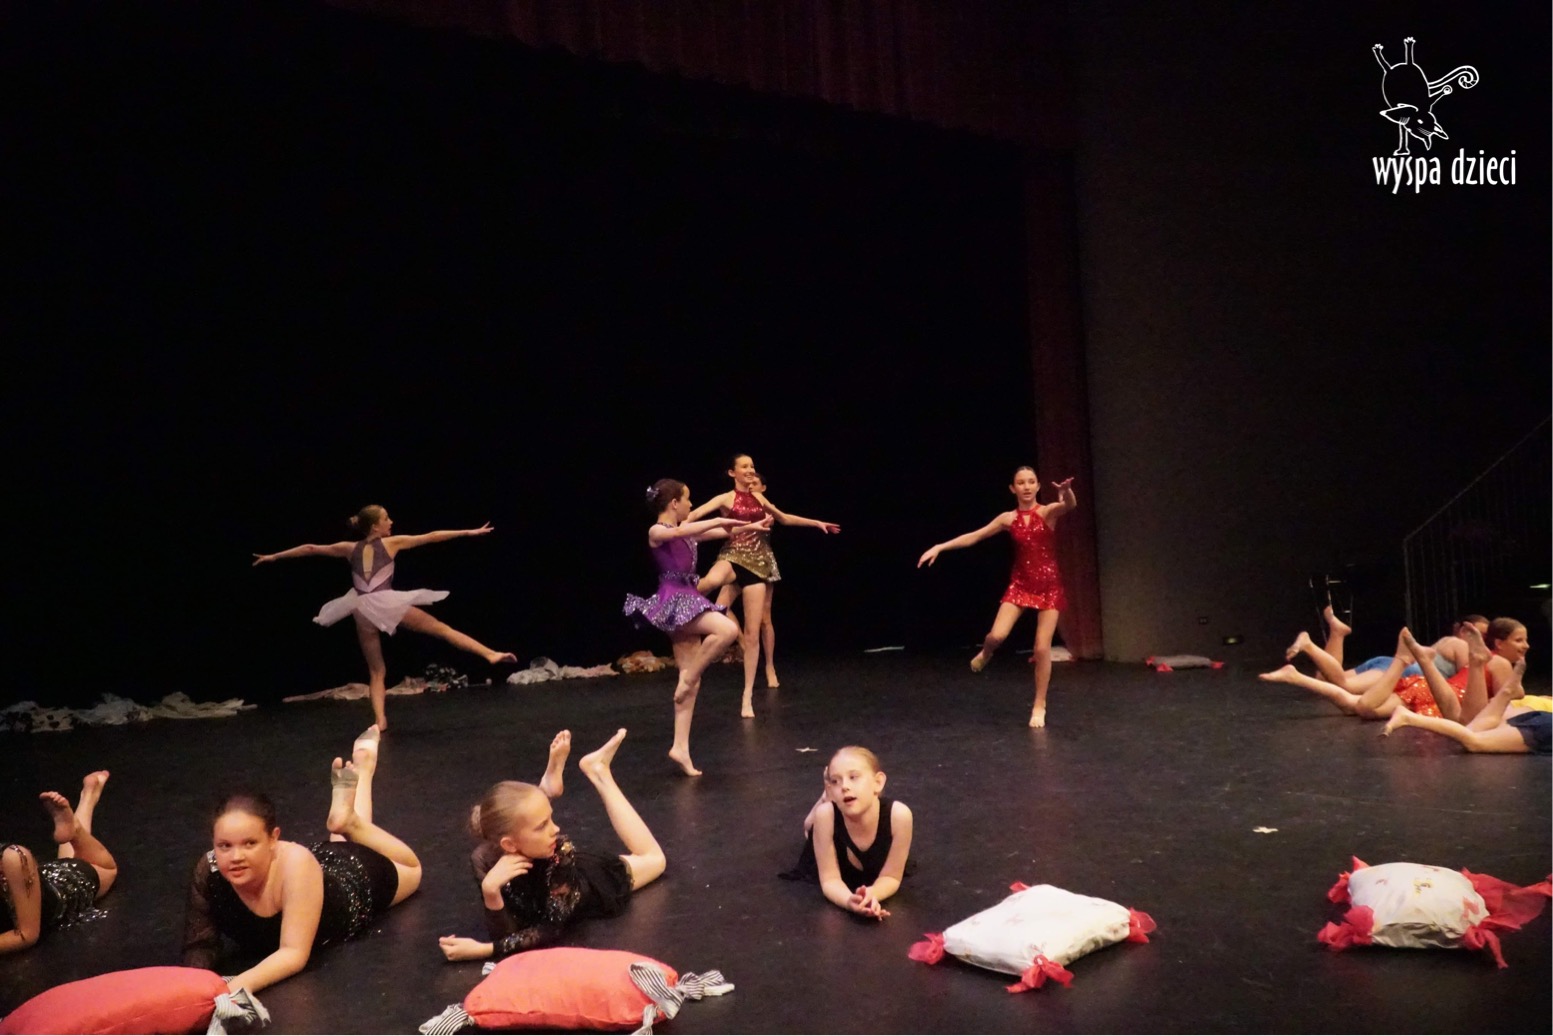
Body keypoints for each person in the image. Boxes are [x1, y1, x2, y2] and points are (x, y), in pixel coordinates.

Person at [182, 728, 422, 994]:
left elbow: (293, 954)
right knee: (339, 842)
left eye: (249, 844)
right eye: (224, 846)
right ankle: (353, 799)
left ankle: (352, 816)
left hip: (354, 879)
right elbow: (200, 945)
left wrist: (226, 992)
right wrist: (189, 991)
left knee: (414, 869)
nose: (236, 857)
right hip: (322, 864)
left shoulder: (296, 863)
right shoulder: (209, 870)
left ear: (273, 839)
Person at [253, 505, 517, 730]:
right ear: (375, 527)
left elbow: (311, 548)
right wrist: (468, 532)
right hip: (384, 602)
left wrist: (274, 556)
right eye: (386, 519)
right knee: (442, 630)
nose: (391, 522)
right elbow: (432, 536)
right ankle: (490, 654)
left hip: (360, 608)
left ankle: (380, 720)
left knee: (377, 670)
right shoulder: (391, 543)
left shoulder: (348, 548)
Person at [437, 728, 666, 961]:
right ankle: (548, 788)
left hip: (590, 885)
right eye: (542, 826)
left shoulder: (561, 850)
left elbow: (551, 929)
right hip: (548, 874)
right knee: (526, 818)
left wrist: (484, 950)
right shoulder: (483, 859)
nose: (556, 829)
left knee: (655, 860)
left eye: (550, 818)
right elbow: (506, 932)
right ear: (509, 844)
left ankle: (600, 773)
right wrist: (490, 892)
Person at [624, 479, 769, 776]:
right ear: (674, 503)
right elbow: (682, 531)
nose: (691, 505)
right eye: (688, 500)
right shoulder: (657, 531)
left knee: (690, 684)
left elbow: (718, 532)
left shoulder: (686, 530)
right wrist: (717, 519)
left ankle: (680, 747)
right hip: (675, 599)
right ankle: (689, 677)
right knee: (727, 631)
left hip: (688, 597)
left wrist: (749, 527)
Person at [918, 467, 1077, 728]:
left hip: (1049, 586)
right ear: (1013, 489)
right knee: (997, 636)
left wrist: (1067, 492)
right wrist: (940, 546)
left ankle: (1039, 704)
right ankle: (986, 652)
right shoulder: (1007, 519)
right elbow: (976, 536)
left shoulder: (1047, 512)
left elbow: (1069, 505)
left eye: (1031, 482)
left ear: (1038, 486)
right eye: (1021, 483)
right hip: (1021, 585)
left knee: (1041, 648)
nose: (1026, 487)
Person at [690, 456, 839, 718]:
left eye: (752, 466)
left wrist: (816, 523)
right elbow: (694, 515)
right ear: (732, 472)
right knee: (712, 581)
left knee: (752, 633)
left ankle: (747, 696)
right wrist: (677, 531)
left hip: (758, 566)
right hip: (733, 556)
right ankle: (680, 601)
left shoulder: (759, 498)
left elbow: (785, 518)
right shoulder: (725, 498)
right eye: (744, 467)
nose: (750, 470)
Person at [1260, 621, 1526, 723]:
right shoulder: (1494, 662)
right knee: (1355, 698)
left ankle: (1298, 673)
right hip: (1420, 680)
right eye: (1519, 640)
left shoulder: (1454, 644)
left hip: (1412, 678)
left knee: (1348, 697)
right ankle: (1309, 647)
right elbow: (1509, 697)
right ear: (1498, 643)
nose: (1526, 646)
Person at [780, 747, 913, 919]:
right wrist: (848, 901)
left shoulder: (899, 816)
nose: (844, 787)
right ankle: (825, 797)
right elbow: (830, 880)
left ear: (878, 782)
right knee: (810, 826)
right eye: (836, 781)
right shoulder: (825, 816)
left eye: (853, 777)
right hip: (826, 829)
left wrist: (871, 895)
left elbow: (891, 877)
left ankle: (827, 795)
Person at [1, 771, 116, 955]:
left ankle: (76, 828)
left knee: (108, 869)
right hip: (43, 878)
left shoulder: (14, 858)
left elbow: (27, 935)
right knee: (68, 859)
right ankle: (86, 800)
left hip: (66, 887)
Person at [1279, 607, 1490, 692]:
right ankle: (1309, 645)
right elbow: (1466, 681)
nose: (1482, 640)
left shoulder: (1444, 642)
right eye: (1478, 634)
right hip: (1404, 671)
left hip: (1388, 663)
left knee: (1324, 680)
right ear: (1464, 631)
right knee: (1344, 686)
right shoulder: (1461, 645)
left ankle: (1337, 633)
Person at [1384, 658, 1548, 754]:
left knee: (1471, 730)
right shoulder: (1498, 662)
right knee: (1475, 741)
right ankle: (1409, 718)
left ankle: (1507, 692)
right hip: (1545, 726)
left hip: (1538, 716)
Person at [710, 475, 781, 691]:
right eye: (748, 484)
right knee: (720, 608)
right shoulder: (737, 502)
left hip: (760, 563)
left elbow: (776, 518)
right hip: (736, 560)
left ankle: (769, 666)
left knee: (765, 619)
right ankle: (742, 642)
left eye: (755, 485)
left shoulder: (764, 506)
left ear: (763, 488)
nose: (750, 487)